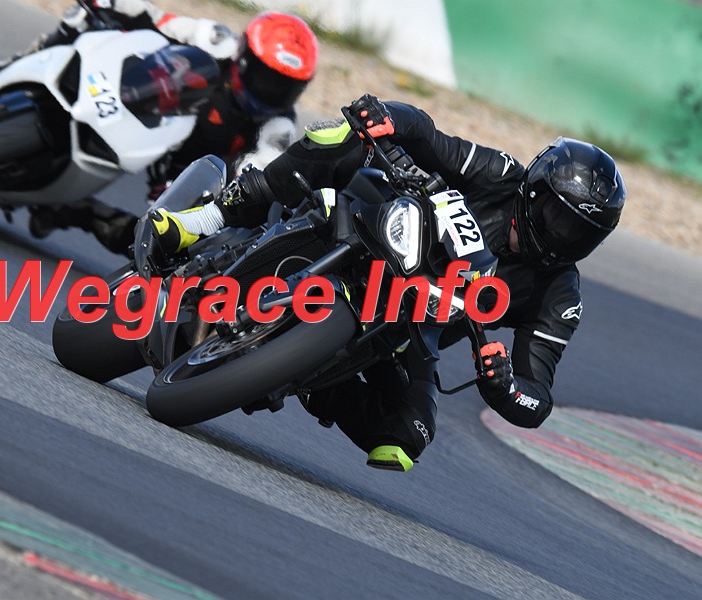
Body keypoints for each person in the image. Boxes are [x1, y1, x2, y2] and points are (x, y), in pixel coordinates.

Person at [150, 94, 627, 472]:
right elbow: (428, 136)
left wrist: (506, 387)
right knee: (342, 137)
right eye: (557, 218)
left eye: (580, 234)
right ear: (534, 191)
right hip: (373, 228)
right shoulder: (500, 174)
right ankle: (208, 219)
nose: (562, 237)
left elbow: (537, 396)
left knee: (407, 435)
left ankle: (311, 376)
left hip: (407, 326)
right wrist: (385, 117)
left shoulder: (559, 292)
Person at [0, 0, 319, 255]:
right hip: (144, 103)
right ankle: (5, 68)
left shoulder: (279, 122)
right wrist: (112, 5)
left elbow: (265, 166)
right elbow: (155, 18)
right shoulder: (214, 40)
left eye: (284, 87)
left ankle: (80, 212)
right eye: (265, 78)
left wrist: (231, 188)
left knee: (164, 247)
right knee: (84, 19)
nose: (271, 92)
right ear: (244, 56)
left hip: (187, 171)